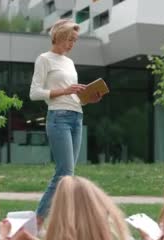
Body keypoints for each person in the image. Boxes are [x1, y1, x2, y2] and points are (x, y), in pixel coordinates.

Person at [29, 19, 102, 226]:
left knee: (68, 175)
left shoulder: (69, 63)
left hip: (76, 116)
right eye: (70, 39)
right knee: (64, 173)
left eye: (75, 40)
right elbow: (34, 93)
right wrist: (65, 90)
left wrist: (88, 98)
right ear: (59, 36)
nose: (72, 44)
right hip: (58, 118)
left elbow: (72, 96)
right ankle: (38, 221)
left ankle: (59, 223)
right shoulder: (44, 59)